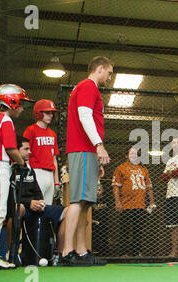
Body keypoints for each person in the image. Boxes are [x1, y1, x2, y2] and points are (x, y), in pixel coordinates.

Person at [60, 56, 113, 266]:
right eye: (109, 73)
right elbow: (84, 116)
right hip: (82, 149)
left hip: (87, 151)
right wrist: (99, 145)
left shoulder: (86, 88)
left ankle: (81, 252)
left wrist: (96, 155)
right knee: (78, 201)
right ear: (100, 69)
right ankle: (67, 252)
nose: (109, 77)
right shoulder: (88, 86)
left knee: (85, 202)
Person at [0, 84, 33, 269]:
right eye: (20, 104)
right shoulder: (6, 120)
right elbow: (11, 149)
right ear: (10, 101)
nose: (21, 108)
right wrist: (22, 163)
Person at [9, 136, 68, 257]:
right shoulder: (10, 170)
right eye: (26, 149)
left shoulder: (30, 170)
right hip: (24, 208)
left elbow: (37, 192)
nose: (30, 152)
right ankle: (12, 253)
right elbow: (11, 196)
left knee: (68, 211)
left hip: (35, 208)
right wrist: (29, 203)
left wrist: (40, 202)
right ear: (17, 150)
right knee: (17, 209)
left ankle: (60, 255)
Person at [112, 146, 156, 256]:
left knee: (138, 230)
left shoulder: (143, 169)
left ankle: (137, 253)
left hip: (140, 205)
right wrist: (117, 202)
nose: (134, 156)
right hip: (126, 204)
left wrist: (151, 202)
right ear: (126, 155)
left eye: (136, 154)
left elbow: (149, 186)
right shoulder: (120, 168)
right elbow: (116, 186)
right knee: (125, 230)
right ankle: (124, 253)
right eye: (131, 153)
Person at [23, 99, 60, 205]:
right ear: (39, 113)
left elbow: (54, 159)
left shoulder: (52, 134)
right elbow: (25, 155)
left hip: (50, 175)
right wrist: (28, 174)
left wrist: (56, 182)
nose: (51, 115)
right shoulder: (31, 130)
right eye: (47, 112)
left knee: (47, 207)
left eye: (52, 113)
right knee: (36, 206)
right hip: (36, 172)